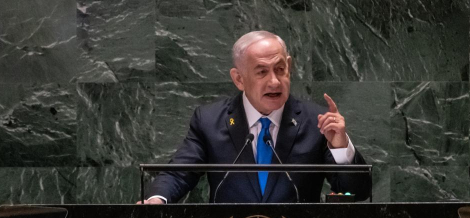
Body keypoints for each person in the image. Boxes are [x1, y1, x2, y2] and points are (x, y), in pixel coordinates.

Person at [141, 31, 370, 204]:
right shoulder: (210, 120)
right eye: (262, 72)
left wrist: (340, 147)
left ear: (289, 67)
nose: (274, 81)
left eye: (280, 69)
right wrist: (157, 199)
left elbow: (357, 194)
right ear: (239, 79)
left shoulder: (315, 122)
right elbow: (179, 173)